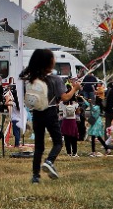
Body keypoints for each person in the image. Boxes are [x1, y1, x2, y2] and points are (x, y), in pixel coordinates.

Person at [20, 48, 74, 183]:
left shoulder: (31, 79)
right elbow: (65, 97)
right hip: (50, 112)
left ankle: (35, 176)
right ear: (49, 62)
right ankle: (49, 161)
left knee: (39, 146)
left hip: (37, 113)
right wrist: (75, 88)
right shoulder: (55, 79)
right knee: (58, 141)